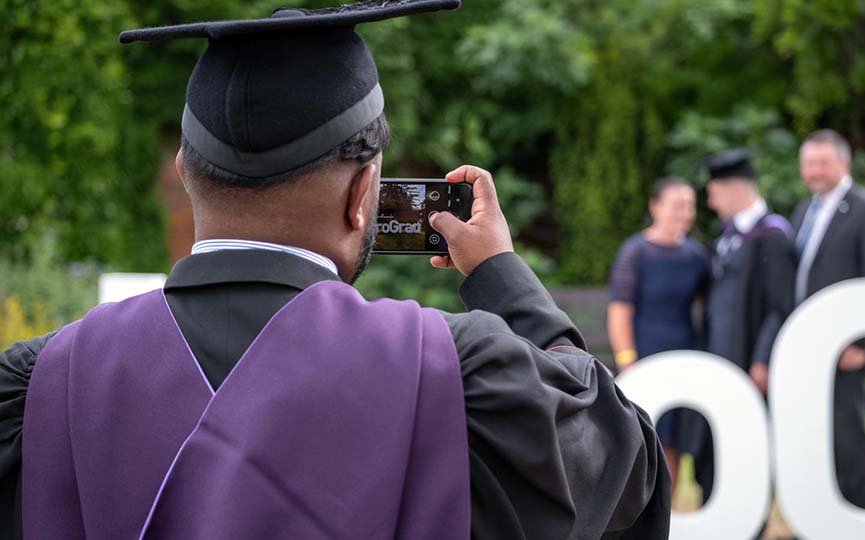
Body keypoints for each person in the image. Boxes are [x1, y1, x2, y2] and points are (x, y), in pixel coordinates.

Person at [0, 2, 671, 539]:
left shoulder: (42, 386)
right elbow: (623, 466)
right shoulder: (448, 373)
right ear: (363, 196)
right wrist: (501, 274)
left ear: (185, 172)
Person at [792, 129, 865, 510]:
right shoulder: (803, 210)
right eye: (809, 163)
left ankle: (856, 516)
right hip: (808, 344)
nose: (815, 171)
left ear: (844, 163)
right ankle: (821, 518)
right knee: (816, 437)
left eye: (823, 163)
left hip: (847, 347)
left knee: (847, 435)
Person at [698, 149, 797, 509]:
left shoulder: (772, 235)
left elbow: (779, 306)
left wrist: (763, 359)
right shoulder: (728, 236)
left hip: (748, 363)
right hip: (719, 362)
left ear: (735, 188)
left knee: (746, 451)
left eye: (714, 192)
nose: (710, 201)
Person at [607, 176, 710, 494]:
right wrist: (628, 362)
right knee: (644, 436)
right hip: (644, 354)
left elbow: (706, 304)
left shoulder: (696, 255)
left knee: (674, 437)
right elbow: (620, 311)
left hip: (684, 352)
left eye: (690, 206)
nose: (684, 213)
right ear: (655, 207)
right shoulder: (635, 252)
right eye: (676, 205)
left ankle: (669, 510)